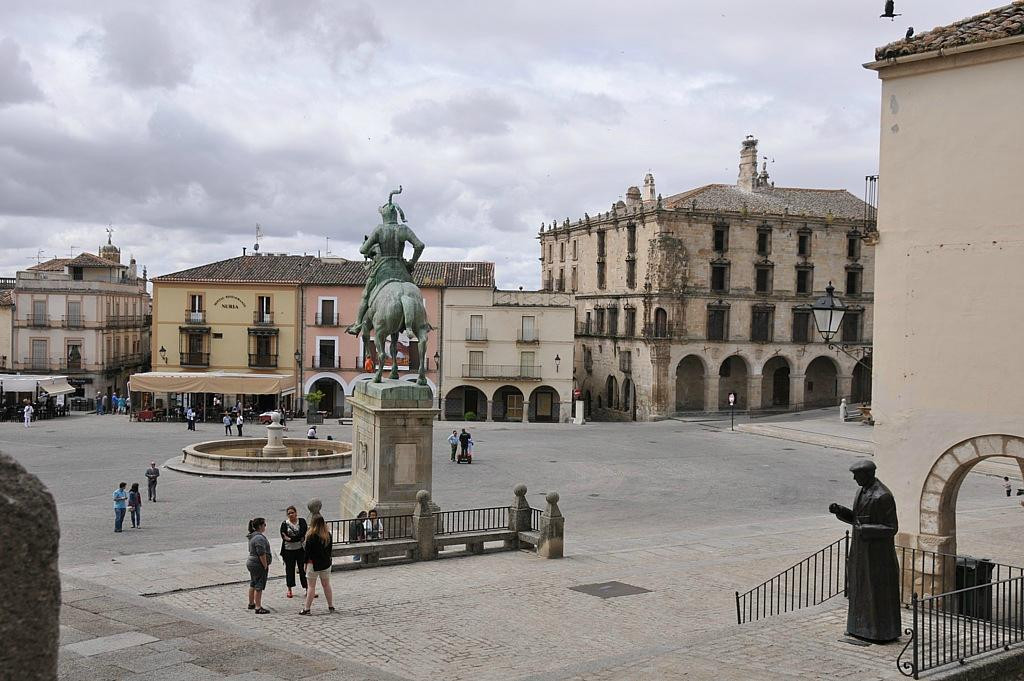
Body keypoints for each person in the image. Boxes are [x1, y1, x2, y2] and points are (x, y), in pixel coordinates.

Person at [828, 459, 900, 642]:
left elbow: (891, 528)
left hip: (877, 555)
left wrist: (866, 529)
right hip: (860, 551)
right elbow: (857, 519)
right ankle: (857, 628)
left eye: (856, 475)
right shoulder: (861, 491)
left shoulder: (883, 496)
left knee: (875, 592)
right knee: (859, 589)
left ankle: (877, 632)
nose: (854, 479)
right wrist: (841, 511)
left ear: (867, 475)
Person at [300, 515, 334, 615]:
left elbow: (307, 552)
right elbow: (330, 550)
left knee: (311, 587)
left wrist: (304, 564)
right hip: (325, 563)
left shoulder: (311, 536)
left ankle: (307, 608)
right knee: (326, 585)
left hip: (313, 564)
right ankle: (330, 605)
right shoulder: (328, 535)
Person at [279, 506, 308, 599]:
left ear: (296, 513)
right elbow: (284, 536)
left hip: (300, 550)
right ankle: (289, 589)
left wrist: (291, 539)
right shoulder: (284, 524)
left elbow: (303, 533)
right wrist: (296, 539)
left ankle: (307, 589)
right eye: (289, 513)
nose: (291, 514)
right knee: (289, 570)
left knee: (303, 569)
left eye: (292, 512)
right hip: (288, 551)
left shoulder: (302, 521)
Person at [246, 517, 272, 614]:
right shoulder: (259, 538)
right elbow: (261, 553)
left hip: (251, 562)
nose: (265, 526)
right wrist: (265, 565)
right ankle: (258, 607)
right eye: (264, 525)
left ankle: (251, 603)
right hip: (258, 564)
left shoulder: (252, 536)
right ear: (260, 526)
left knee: (253, 582)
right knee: (259, 585)